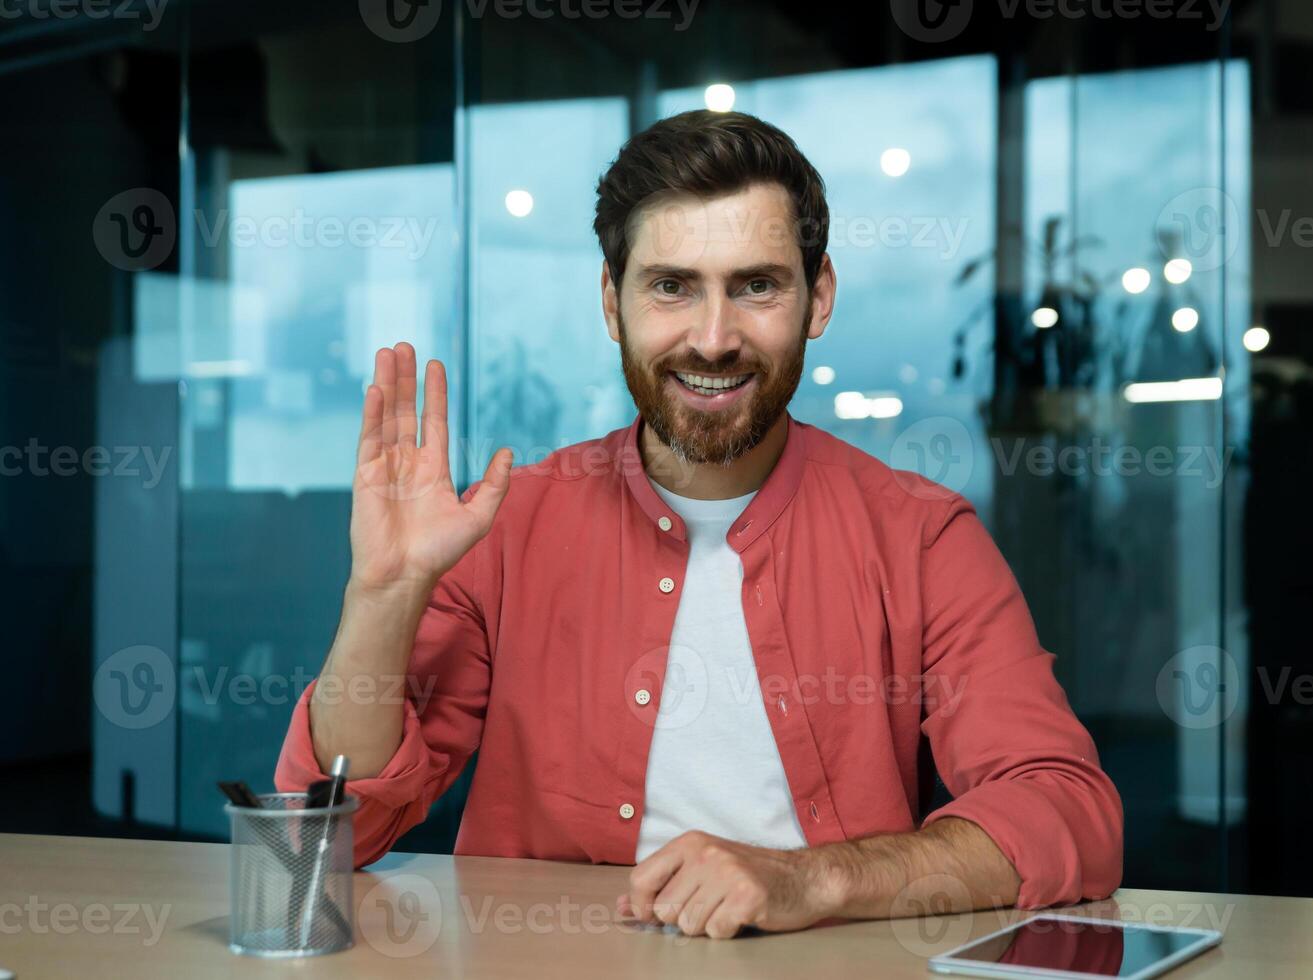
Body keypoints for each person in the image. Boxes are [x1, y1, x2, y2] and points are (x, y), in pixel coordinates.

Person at [276, 109, 1123, 940]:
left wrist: (812, 877)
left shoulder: (922, 537)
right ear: (613, 304)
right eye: (671, 286)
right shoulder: (505, 526)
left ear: (817, 297)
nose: (713, 340)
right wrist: (383, 595)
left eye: (756, 286)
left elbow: (1066, 809)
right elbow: (329, 838)